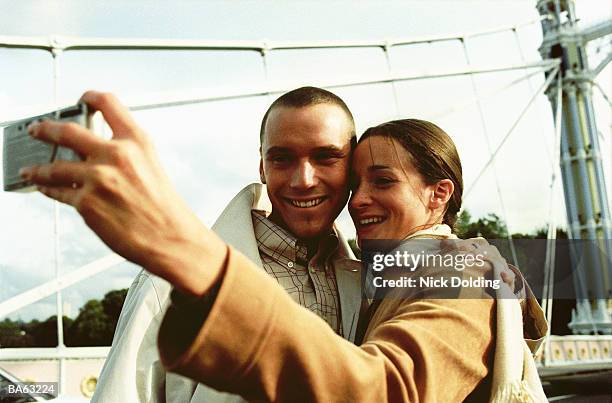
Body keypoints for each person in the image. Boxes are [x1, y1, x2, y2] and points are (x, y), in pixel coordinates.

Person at [20, 91, 545, 402]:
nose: (305, 178)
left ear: (440, 193)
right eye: (283, 158)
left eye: (327, 157)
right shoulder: (166, 282)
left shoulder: (441, 274)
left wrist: (190, 253)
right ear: (261, 166)